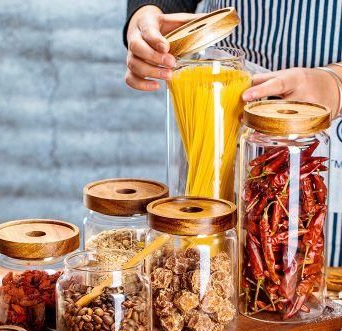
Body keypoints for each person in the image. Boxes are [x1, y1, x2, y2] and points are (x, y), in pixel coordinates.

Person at [123, 0, 342, 266]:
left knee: (302, 254)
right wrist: (148, 15)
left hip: (326, 109)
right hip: (217, 84)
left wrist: (336, 83)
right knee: (203, 251)